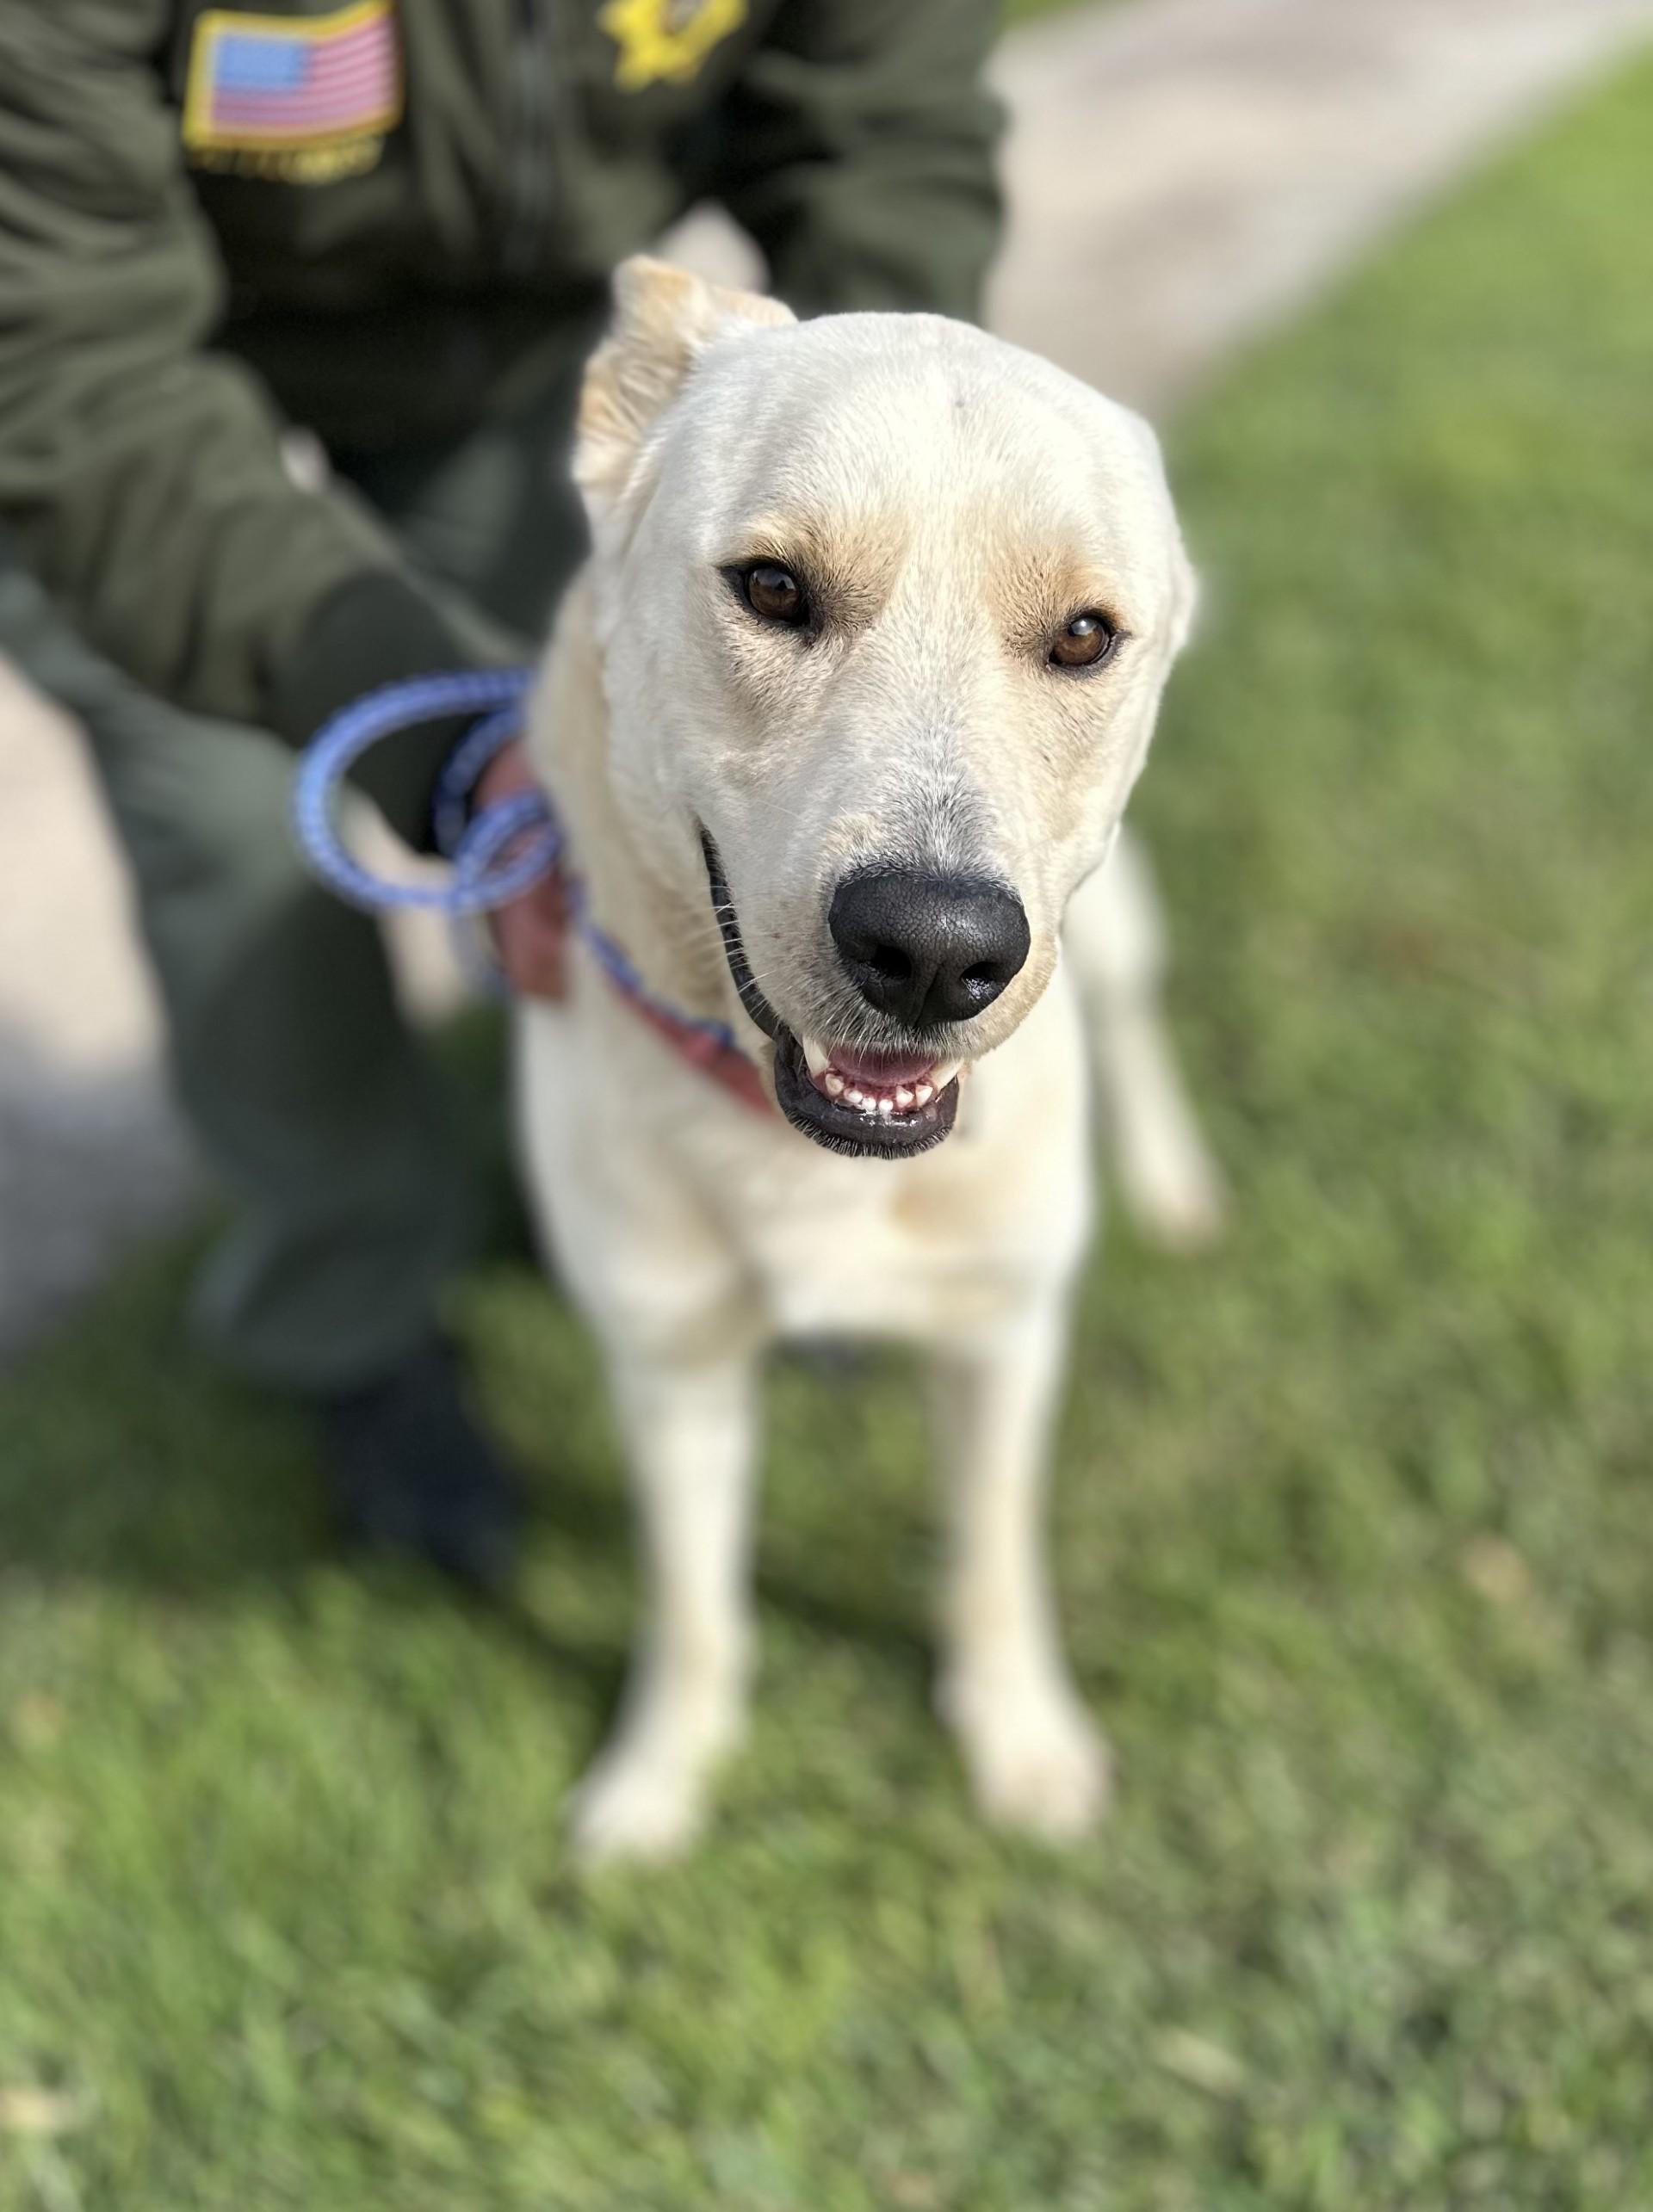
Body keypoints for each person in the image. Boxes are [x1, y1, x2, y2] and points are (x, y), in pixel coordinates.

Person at [0, 0, 1004, 1585]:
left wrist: (865, 487)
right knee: (237, 831)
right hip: (114, 386)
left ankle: (655, 1196)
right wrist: (451, 742)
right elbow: (65, 365)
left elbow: (882, 128)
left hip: (522, 355)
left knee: (632, 801)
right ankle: (356, 1318)